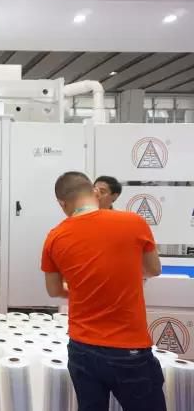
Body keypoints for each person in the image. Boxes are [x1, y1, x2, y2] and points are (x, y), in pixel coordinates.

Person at [41, 172, 164, 411]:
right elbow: (153, 269)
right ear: (94, 193)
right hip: (129, 349)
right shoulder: (134, 222)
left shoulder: (54, 237)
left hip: (82, 348)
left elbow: (53, 290)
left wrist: (83, 290)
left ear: (62, 203)